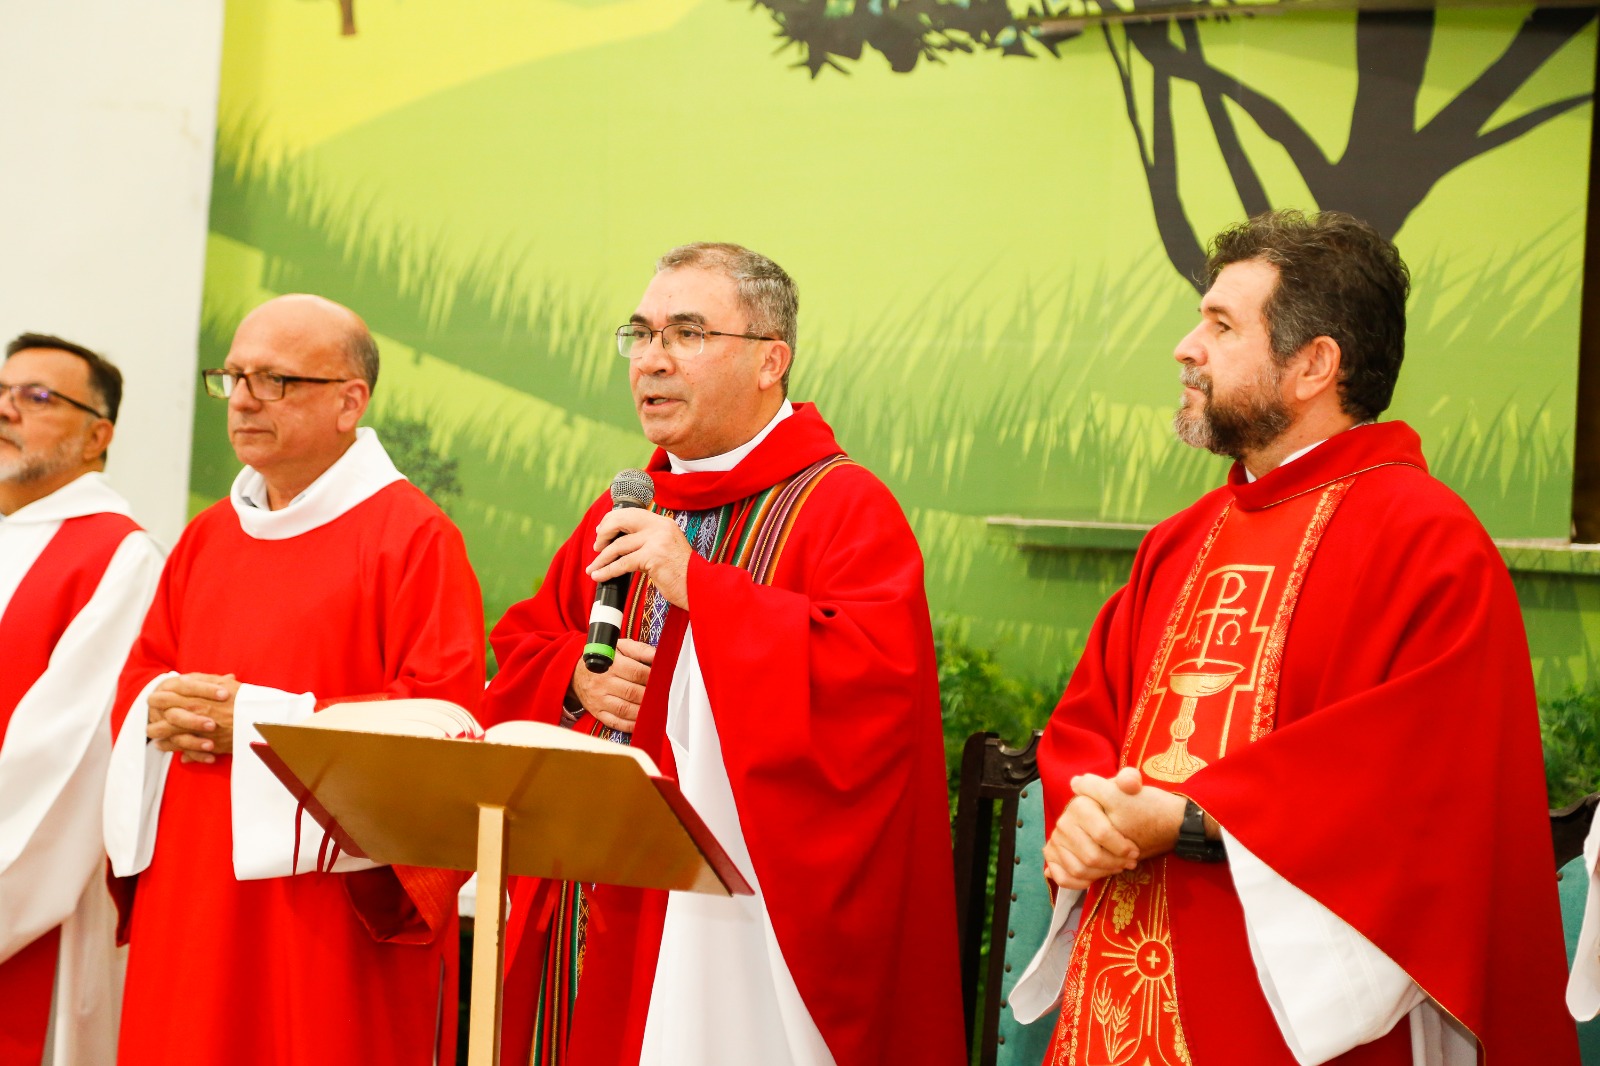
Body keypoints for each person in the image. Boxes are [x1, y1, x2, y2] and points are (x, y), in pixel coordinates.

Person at [1010, 211, 1577, 1065]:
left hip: (1290, 1005)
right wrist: (1086, 816)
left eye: (1221, 324)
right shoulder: (1181, 537)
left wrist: (1195, 819)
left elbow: (1424, 792)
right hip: (1121, 986)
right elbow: (1089, 723)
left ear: (1314, 365)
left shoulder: (1427, 541)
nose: (1185, 346)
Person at [483, 242, 965, 1066]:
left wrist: (700, 587)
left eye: (687, 334)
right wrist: (573, 677)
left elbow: (872, 696)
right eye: (640, 334)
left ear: (770, 361)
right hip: (604, 890)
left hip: (739, 920)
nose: (652, 361)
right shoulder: (629, 502)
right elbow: (527, 640)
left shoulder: (842, 506)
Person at [103, 294, 485, 1066]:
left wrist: (256, 720)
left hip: (319, 904)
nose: (242, 399)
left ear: (350, 401)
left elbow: (444, 723)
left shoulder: (413, 538)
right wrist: (156, 705)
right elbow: (146, 671)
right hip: (194, 885)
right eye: (233, 376)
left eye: (273, 380)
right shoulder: (209, 534)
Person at [0, 335, 163, 1065]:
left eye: (36, 397)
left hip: (32, 906)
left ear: (100, 435)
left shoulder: (118, 557)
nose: (7, 410)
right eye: (3, 392)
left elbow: (63, 765)